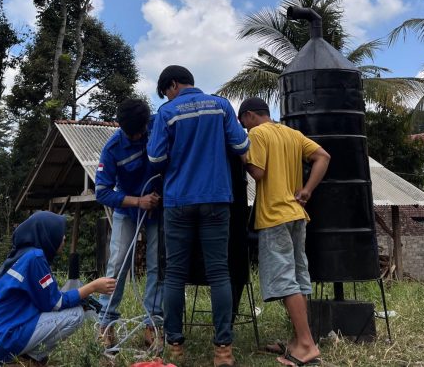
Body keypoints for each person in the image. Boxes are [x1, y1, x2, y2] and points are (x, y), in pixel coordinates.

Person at [147, 65, 249, 367]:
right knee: (219, 271)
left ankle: (176, 348)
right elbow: (242, 144)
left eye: (166, 91)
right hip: (217, 197)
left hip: (178, 200)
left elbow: (155, 159)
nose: (167, 96)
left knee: (175, 274)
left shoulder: (167, 113)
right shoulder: (220, 105)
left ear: (173, 85)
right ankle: (222, 352)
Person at [238, 97, 330, 367]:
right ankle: (298, 339)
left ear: (250, 115)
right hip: (297, 214)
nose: (244, 128)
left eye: (243, 122)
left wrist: (241, 154)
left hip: (275, 216)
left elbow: (258, 172)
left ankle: (306, 345)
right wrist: (307, 190)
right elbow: (323, 156)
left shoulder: (257, 133)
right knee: (299, 277)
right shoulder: (292, 133)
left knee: (285, 279)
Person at [0, 211, 116, 366]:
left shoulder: (24, 255)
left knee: (72, 308)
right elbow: (55, 303)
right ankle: (27, 361)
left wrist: (81, 297)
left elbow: (47, 300)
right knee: (76, 315)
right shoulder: (36, 257)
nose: (63, 238)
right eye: (60, 233)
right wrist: (93, 286)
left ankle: (23, 357)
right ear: (48, 235)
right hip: (2, 339)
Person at [95, 98, 164, 350]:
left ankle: (153, 325)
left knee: (158, 266)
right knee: (117, 264)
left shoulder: (158, 124)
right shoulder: (112, 148)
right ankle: (106, 323)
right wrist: (138, 201)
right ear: (121, 127)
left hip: (158, 209)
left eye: (141, 132)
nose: (137, 136)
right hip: (128, 209)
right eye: (131, 133)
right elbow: (102, 192)